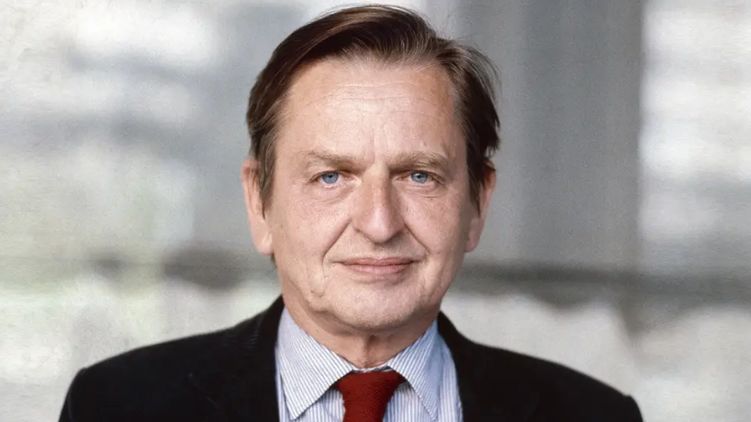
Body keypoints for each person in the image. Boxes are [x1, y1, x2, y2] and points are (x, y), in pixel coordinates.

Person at [59, 5, 642, 421]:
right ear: (260, 203)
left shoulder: (595, 415)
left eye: (419, 176)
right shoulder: (118, 406)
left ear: (477, 203)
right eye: (331, 177)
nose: (379, 224)